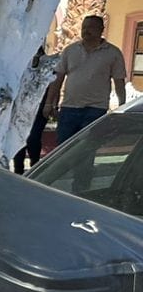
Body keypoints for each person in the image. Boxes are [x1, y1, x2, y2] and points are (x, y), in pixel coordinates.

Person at [48, 15, 127, 147]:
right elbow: (58, 79)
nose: (86, 30)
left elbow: (119, 82)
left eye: (90, 27)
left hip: (96, 110)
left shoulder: (113, 53)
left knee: (88, 149)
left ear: (101, 29)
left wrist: (121, 107)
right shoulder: (70, 51)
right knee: (63, 148)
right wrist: (50, 103)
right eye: (84, 27)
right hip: (69, 108)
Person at [14, 45, 50, 175]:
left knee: (33, 138)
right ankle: (18, 170)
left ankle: (35, 167)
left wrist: (50, 105)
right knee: (18, 139)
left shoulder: (46, 69)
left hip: (38, 110)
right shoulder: (19, 68)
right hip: (20, 109)